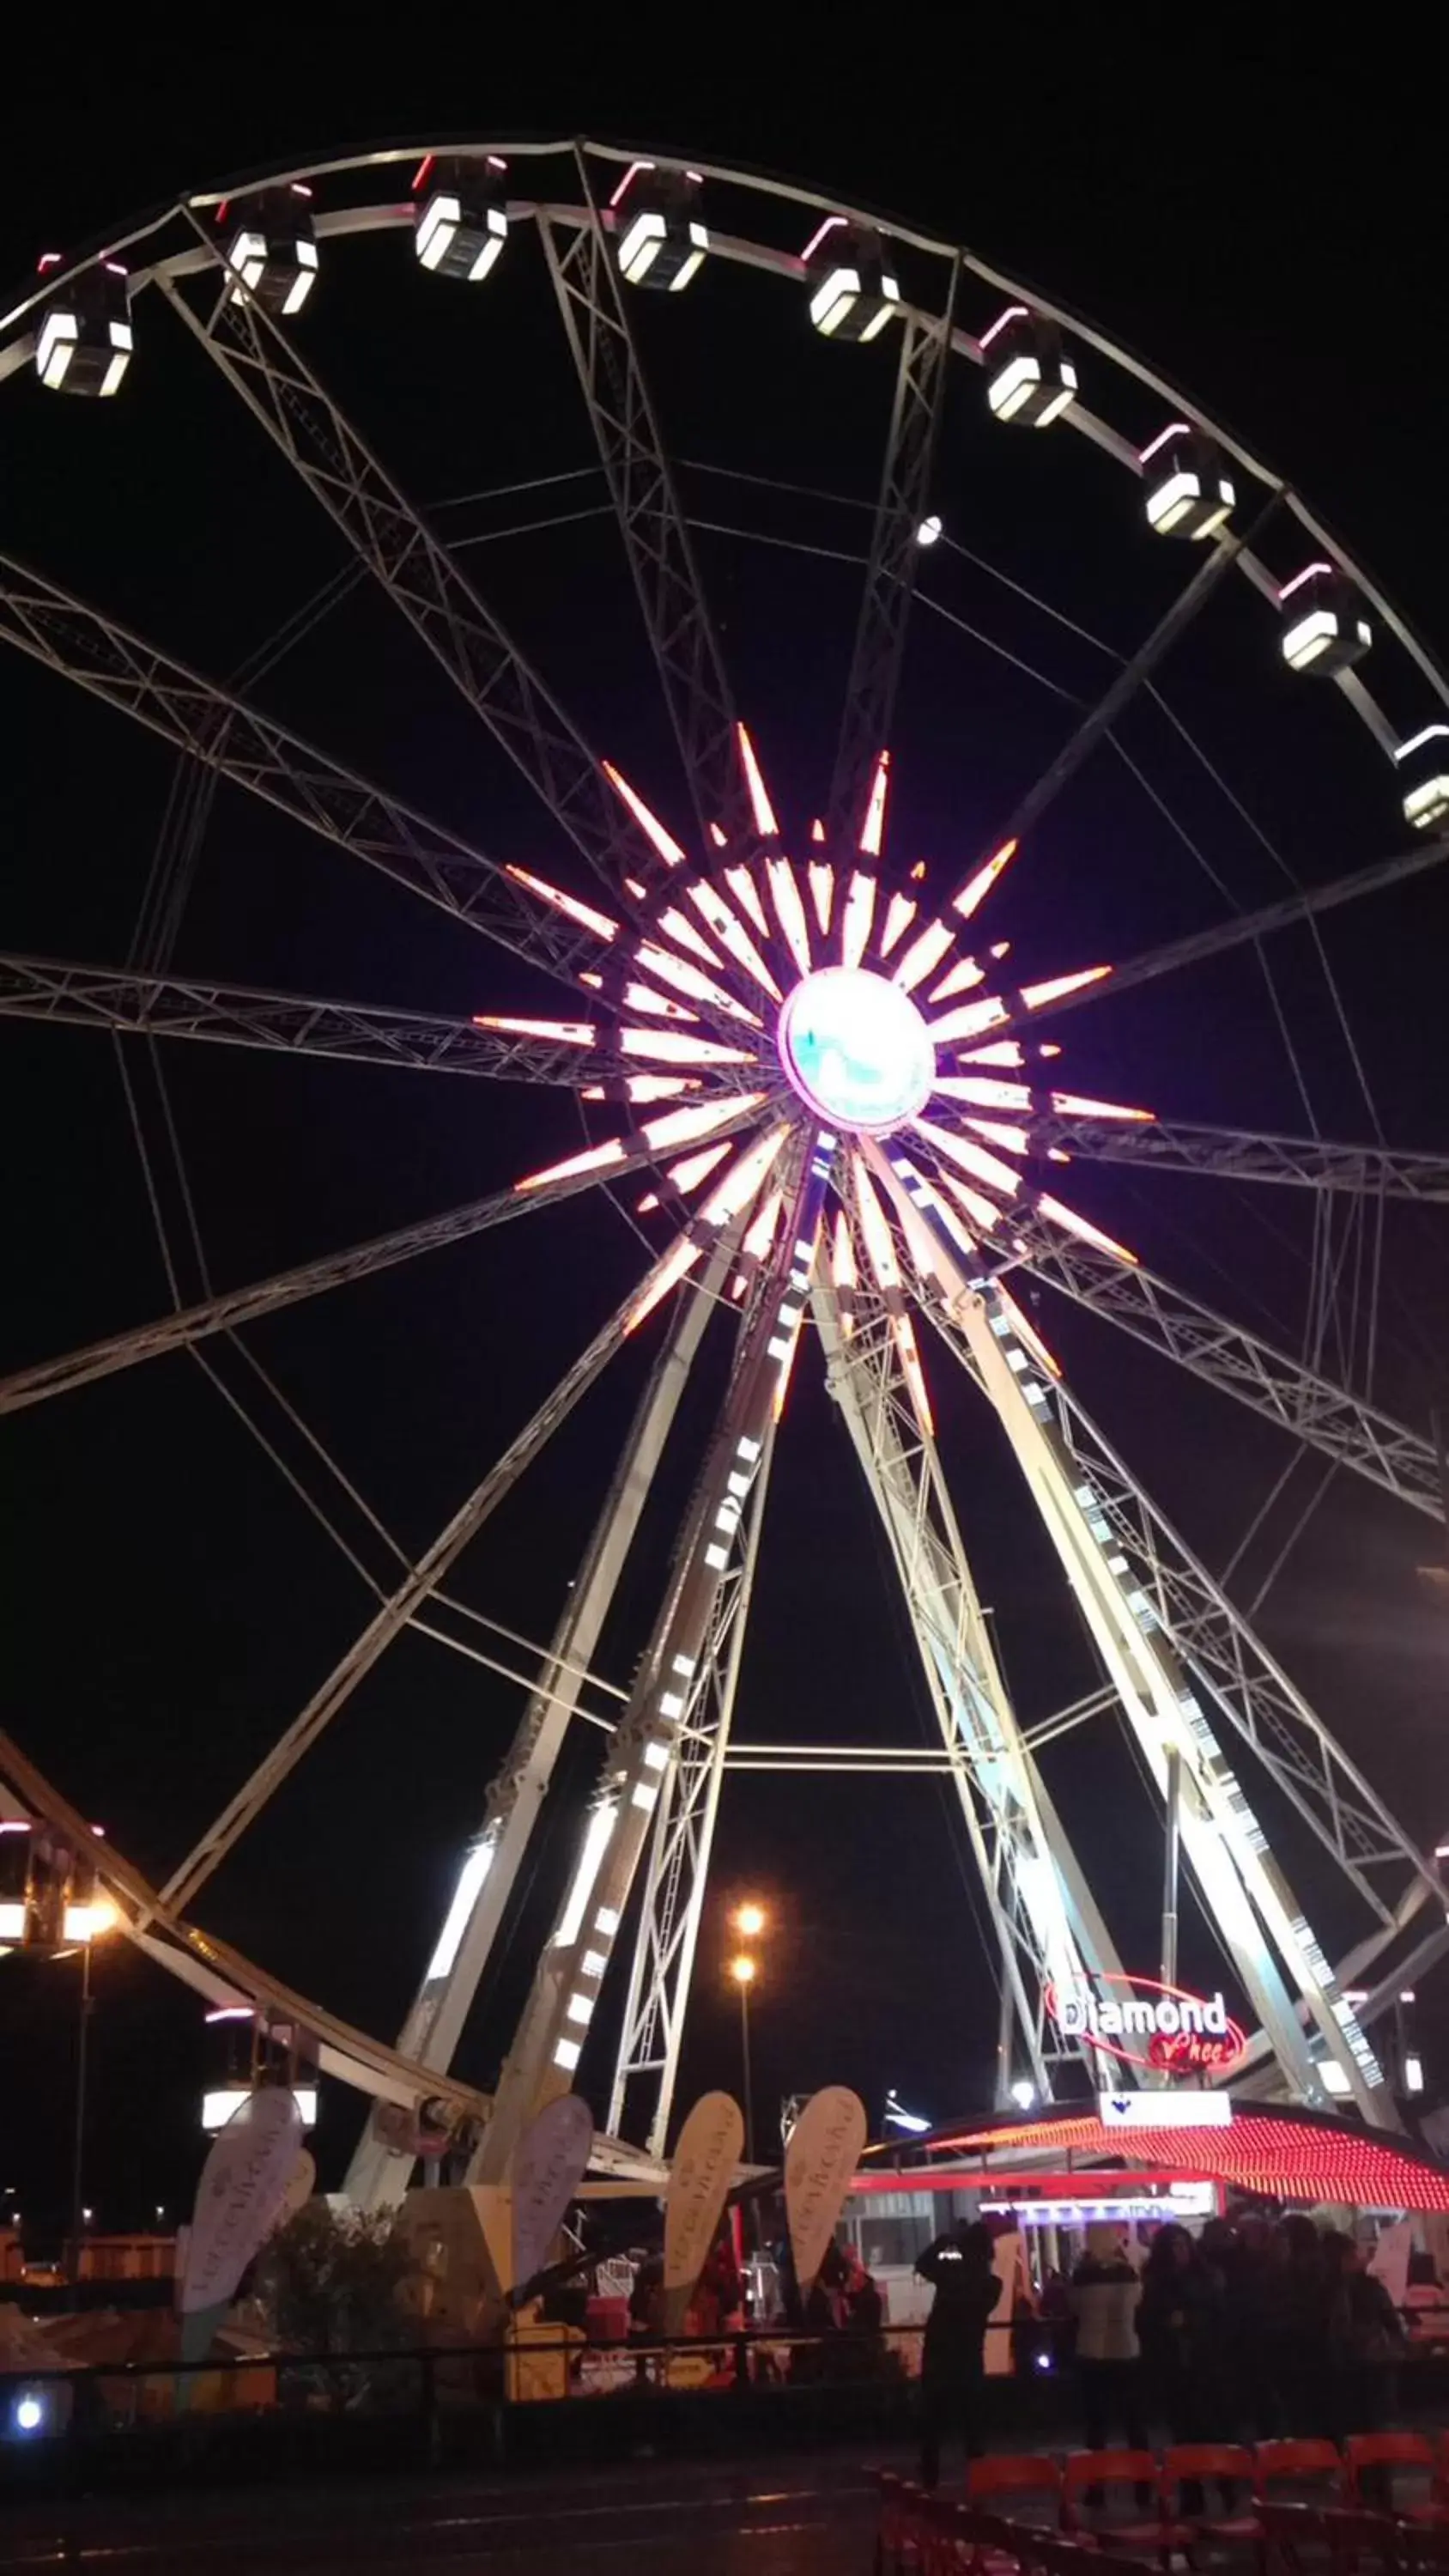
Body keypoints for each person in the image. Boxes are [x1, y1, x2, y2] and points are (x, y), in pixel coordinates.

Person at [914, 2218, 1000, 2488]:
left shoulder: (949, 2276)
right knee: (974, 2428)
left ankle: (929, 2483)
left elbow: (922, 2264)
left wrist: (945, 2240)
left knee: (932, 2426)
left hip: (939, 2357)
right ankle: (979, 2483)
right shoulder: (991, 2285)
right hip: (970, 2359)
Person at [1321, 2230, 1404, 2495]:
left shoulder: (1328, 2289)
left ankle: (1364, 2490)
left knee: (1360, 2432)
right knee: (1374, 2431)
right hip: (1369, 2369)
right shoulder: (1363, 2288)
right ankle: (1375, 2490)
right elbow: (1392, 2326)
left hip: (1350, 2370)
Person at [1070, 2225, 1147, 2458]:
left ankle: (1095, 2476)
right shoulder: (1128, 2274)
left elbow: (1073, 2307)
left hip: (1091, 2351)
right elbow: (1138, 2301)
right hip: (1125, 2348)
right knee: (1132, 2417)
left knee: (1096, 2420)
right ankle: (1142, 2472)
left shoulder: (1081, 2276)